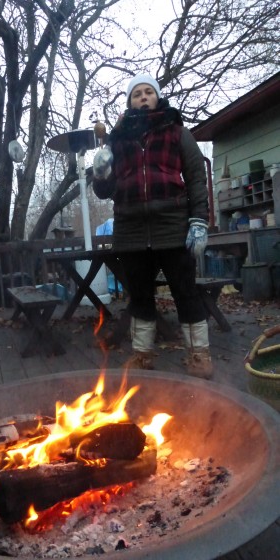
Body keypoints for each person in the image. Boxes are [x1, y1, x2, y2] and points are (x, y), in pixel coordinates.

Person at [92, 73, 212, 379]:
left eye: (148, 92)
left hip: (172, 227)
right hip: (131, 231)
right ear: (130, 102)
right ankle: (143, 356)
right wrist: (102, 170)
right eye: (136, 94)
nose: (143, 97)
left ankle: (198, 356)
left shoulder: (177, 132)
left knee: (186, 293)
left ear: (157, 97)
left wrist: (199, 220)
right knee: (140, 298)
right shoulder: (117, 139)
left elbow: (196, 177)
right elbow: (104, 192)